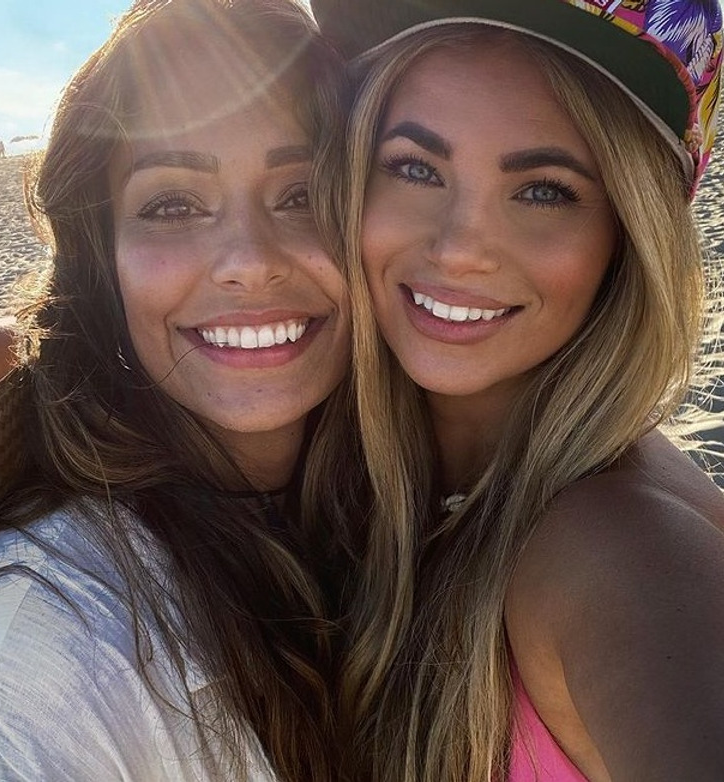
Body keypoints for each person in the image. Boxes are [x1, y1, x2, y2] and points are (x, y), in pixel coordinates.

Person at [311, 0, 724, 779]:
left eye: (543, 190)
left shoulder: (624, 550)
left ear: (627, 234)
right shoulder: (363, 476)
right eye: (415, 168)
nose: (458, 249)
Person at [0, 1, 351, 780]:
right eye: (173, 205)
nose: (250, 261)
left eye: (302, 193)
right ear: (103, 261)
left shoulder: (416, 509)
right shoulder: (50, 635)